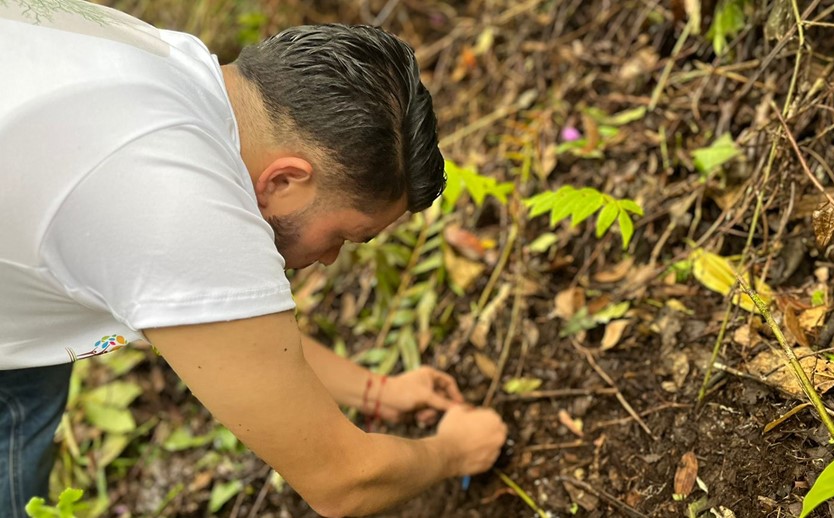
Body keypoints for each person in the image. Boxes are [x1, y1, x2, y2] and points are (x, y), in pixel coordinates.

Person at [0, 1, 508, 516]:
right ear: (286, 180)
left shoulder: (177, 70)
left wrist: (377, 392)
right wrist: (457, 450)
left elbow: (233, 334)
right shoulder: (175, 202)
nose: (329, 259)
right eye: (347, 237)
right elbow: (343, 480)